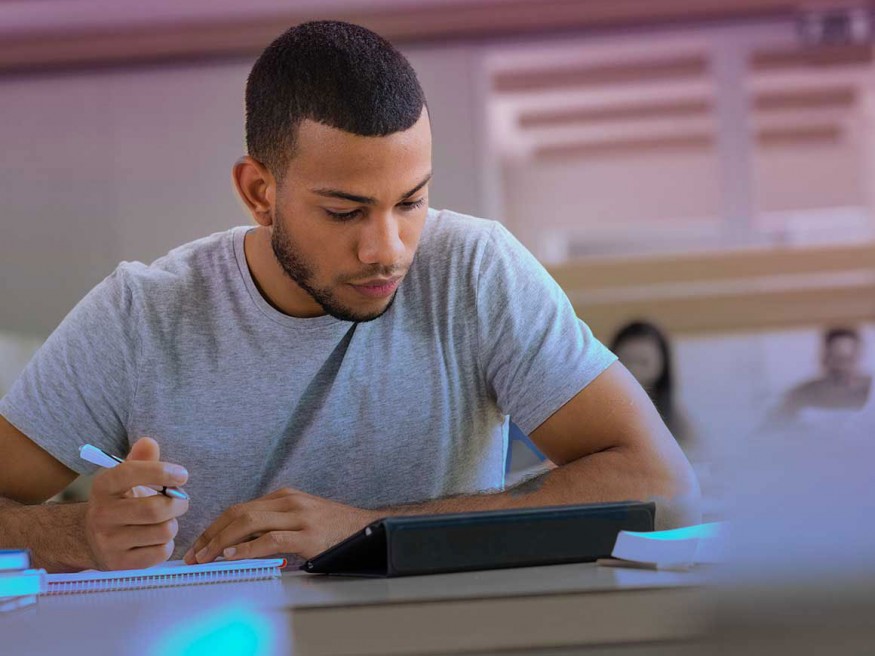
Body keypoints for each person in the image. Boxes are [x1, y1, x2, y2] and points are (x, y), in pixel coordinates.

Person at [0, 21, 699, 573]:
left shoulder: (475, 271)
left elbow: (662, 487)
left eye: (411, 202)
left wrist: (373, 531)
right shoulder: (140, 317)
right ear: (259, 192)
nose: (387, 249)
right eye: (344, 211)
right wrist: (79, 533)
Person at [609, 321, 697, 450]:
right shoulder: (603, 411)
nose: (635, 370)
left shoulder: (676, 420)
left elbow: (691, 452)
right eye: (627, 361)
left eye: (643, 362)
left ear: (662, 365)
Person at [769, 327, 872, 427]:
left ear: (859, 356)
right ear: (825, 357)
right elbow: (772, 427)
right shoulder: (802, 394)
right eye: (837, 359)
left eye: (848, 359)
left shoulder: (871, 390)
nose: (842, 367)